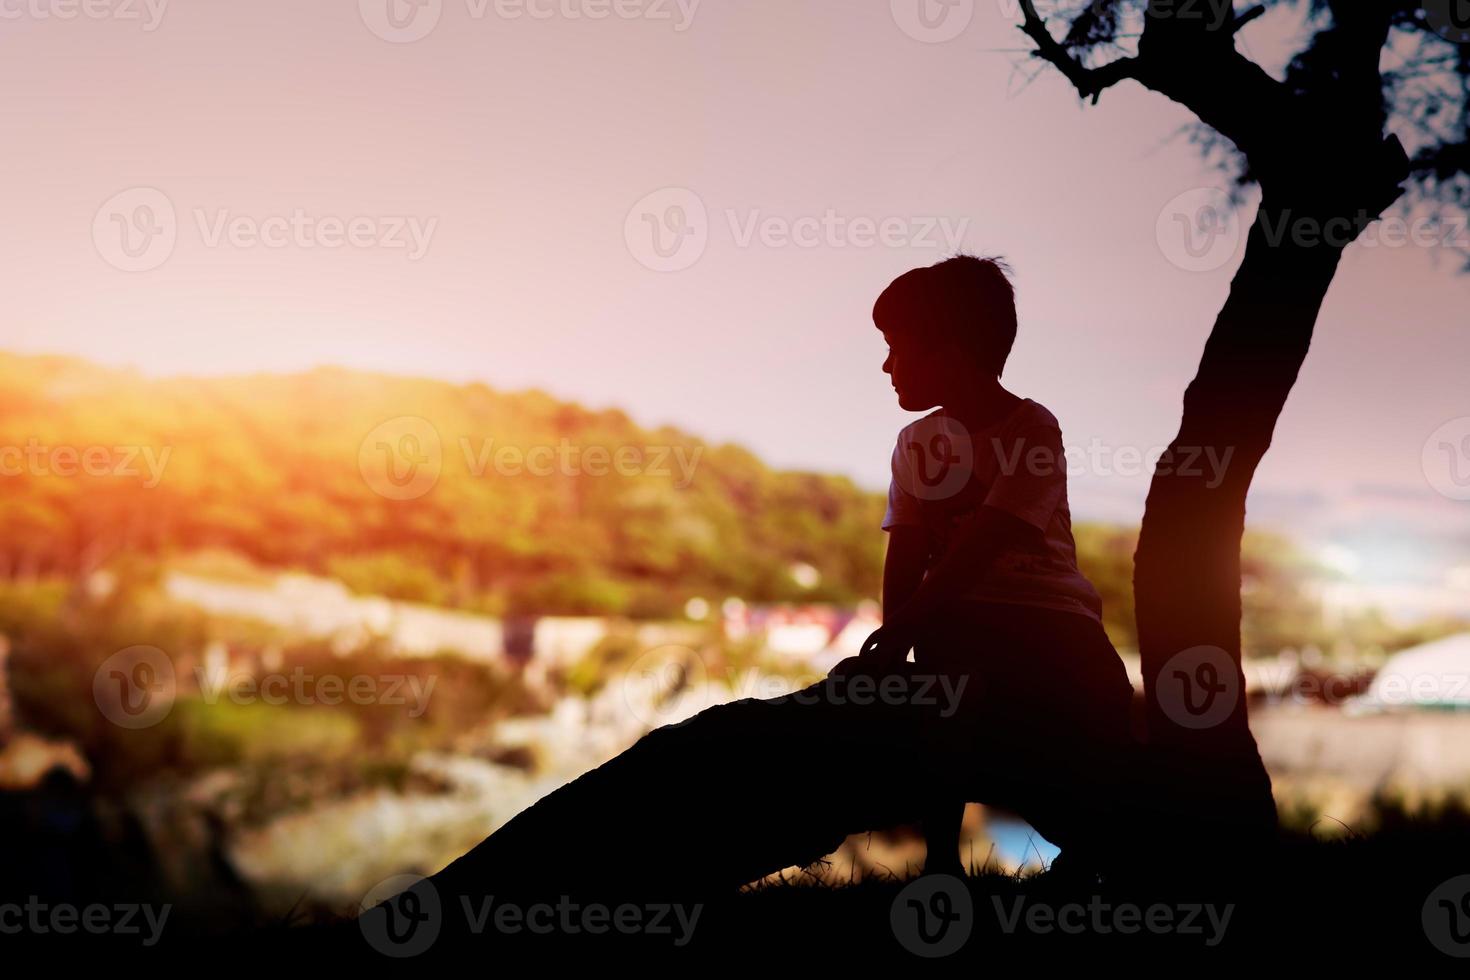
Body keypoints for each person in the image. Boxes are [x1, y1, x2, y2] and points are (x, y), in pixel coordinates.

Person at [851, 255, 1137, 877]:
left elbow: (985, 543)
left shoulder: (1031, 426)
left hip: (1052, 620)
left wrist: (903, 628)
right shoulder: (915, 444)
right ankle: (941, 860)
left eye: (898, 348)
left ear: (948, 349)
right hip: (956, 619)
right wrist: (893, 641)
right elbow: (905, 549)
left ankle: (1100, 845)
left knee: (1106, 718)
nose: (887, 365)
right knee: (946, 690)